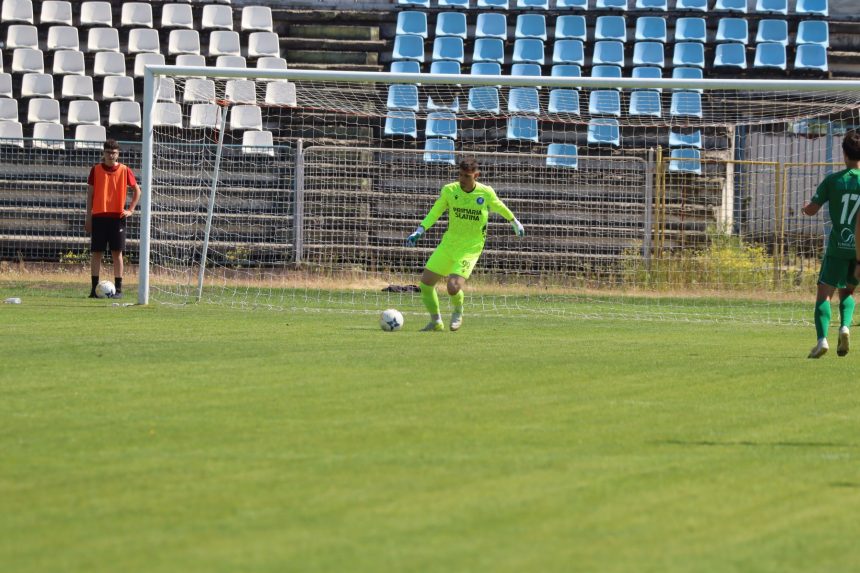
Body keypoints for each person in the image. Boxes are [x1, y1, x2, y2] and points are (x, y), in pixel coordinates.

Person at [405, 157, 524, 331]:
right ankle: (436, 322)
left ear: (476, 175)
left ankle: (458, 311)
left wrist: (515, 222)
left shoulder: (486, 193)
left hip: (471, 247)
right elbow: (435, 212)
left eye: (466, 176)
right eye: (460, 175)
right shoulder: (449, 190)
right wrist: (420, 230)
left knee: (452, 287)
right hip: (449, 244)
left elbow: (500, 207)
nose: (462, 179)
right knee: (425, 284)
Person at [803, 129, 860, 358]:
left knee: (824, 294)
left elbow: (811, 210)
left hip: (837, 247)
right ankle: (845, 326)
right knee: (848, 293)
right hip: (858, 250)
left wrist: (805, 207)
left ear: (844, 154)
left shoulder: (833, 181)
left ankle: (822, 341)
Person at [85, 139, 141, 299]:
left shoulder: (125, 170)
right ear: (103, 153)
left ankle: (119, 289)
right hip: (99, 216)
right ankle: (94, 289)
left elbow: (137, 191)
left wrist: (130, 210)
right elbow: (90, 194)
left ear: (118, 154)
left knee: (117, 254)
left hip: (117, 217)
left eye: (114, 153)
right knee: (96, 253)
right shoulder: (95, 170)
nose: (111, 155)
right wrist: (88, 216)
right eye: (108, 152)